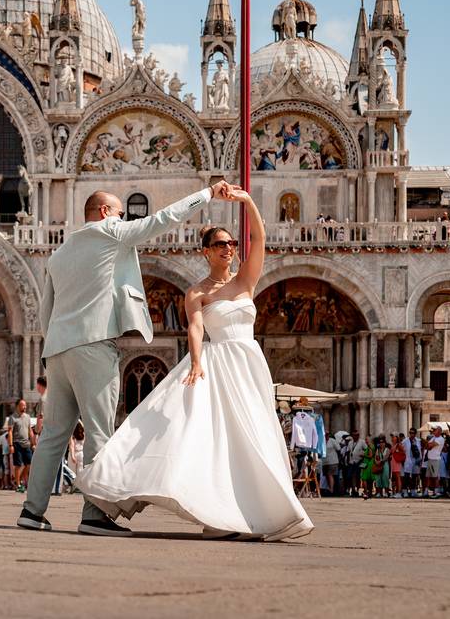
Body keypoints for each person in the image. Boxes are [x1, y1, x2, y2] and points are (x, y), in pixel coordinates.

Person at [78, 192, 313, 540]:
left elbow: (260, 238)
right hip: (218, 364)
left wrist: (247, 202)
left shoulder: (245, 281)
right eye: (220, 244)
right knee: (217, 438)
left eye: (231, 243)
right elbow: (196, 328)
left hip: (249, 365)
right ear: (206, 251)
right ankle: (217, 519)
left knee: (254, 438)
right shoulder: (197, 293)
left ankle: (252, 514)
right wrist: (197, 363)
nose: (228, 249)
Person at [5, 399, 36, 493]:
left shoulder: (27, 417)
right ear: (18, 406)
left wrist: (33, 443)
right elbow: (10, 432)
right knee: (18, 465)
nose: (25, 407)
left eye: (25, 405)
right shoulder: (12, 418)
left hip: (26, 443)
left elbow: (30, 431)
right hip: (17, 443)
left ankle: (19, 479)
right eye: (23, 405)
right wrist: (11, 445)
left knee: (29, 464)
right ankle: (18, 484)